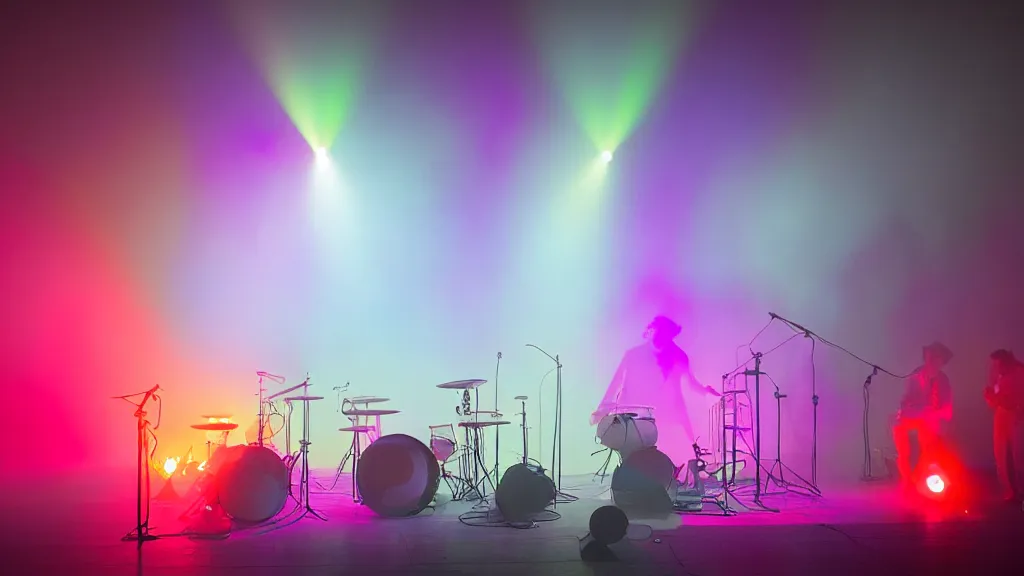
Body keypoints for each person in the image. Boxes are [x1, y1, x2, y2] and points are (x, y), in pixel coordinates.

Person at [592, 315, 719, 467]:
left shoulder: (679, 355)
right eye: (656, 334)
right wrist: (602, 410)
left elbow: (691, 382)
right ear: (651, 332)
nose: (659, 339)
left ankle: (678, 474)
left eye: (663, 336)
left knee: (674, 453)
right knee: (637, 453)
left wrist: (705, 390)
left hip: (669, 412)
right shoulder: (633, 355)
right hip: (637, 413)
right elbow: (616, 383)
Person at [891, 342, 953, 487]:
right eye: (929, 356)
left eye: (936, 357)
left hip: (932, 421)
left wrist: (933, 413)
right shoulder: (915, 375)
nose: (931, 360)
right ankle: (906, 478)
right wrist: (906, 405)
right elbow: (907, 398)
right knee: (898, 430)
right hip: (915, 417)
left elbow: (947, 409)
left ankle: (919, 477)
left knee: (928, 444)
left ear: (942, 361)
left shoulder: (943, 381)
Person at [984, 349, 1024, 503]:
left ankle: (1020, 489)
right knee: (999, 452)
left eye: (997, 364)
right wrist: (990, 397)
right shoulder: (1000, 375)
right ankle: (1007, 489)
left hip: (1017, 415)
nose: (995, 367)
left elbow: (1013, 397)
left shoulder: (1019, 372)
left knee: (1018, 454)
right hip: (1002, 414)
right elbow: (996, 400)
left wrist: (995, 398)